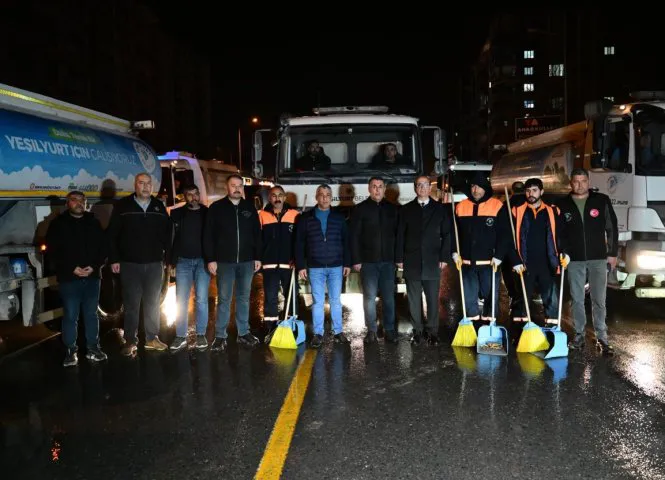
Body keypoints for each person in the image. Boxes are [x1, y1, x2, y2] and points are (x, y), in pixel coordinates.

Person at [107, 172, 172, 355]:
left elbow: (167, 235)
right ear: (135, 185)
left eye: (148, 183)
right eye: (141, 183)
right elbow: (112, 235)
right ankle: (130, 340)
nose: (145, 186)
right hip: (130, 264)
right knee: (131, 304)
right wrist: (114, 259)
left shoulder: (158, 206)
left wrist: (168, 259)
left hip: (154, 264)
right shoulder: (123, 206)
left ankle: (152, 338)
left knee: (152, 303)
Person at [556, 168, 617, 354]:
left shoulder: (601, 200)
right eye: (576, 181)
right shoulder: (563, 204)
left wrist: (612, 253)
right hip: (574, 259)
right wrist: (564, 252)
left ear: (588, 182)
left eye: (583, 181)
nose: (580, 185)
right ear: (571, 183)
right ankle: (579, 335)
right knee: (577, 299)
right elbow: (559, 233)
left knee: (599, 299)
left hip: (598, 258)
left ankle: (602, 337)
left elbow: (611, 227)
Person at [46, 191, 107, 367]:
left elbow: (103, 248)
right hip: (69, 279)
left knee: (91, 315)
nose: (79, 203)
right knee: (71, 315)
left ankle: (93, 348)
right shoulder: (58, 225)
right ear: (67, 203)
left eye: (82, 200)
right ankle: (70, 351)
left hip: (92, 278)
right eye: (75, 200)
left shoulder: (94, 223)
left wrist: (94, 267)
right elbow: (53, 252)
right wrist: (72, 268)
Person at [203, 174, 262, 351]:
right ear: (227, 187)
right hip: (224, 262)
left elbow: (257, 234)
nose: (237, 188)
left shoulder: (249, 207)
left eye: (239, 186)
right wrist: (211, 259)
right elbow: (208, 235)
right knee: (224, 299)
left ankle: (243, 333)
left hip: (246, 261)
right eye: (233, 185)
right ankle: (220, 336)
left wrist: (257, 256)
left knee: (243, 298)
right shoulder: (216, 208)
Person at [395, 175, 452, 346]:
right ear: (415, 188)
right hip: (411, 260)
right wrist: (399, 258)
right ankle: (417, 332)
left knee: (432, 298)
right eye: (419, 185)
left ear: (430, 187)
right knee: (413, 299)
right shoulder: (406, 209)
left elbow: (447, 234)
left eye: (425, 185)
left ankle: (432, 332)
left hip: (433, 260)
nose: (422, 188)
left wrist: (444, 257)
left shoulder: (440, 209)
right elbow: (400, 235)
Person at [295, 184, 351, 348]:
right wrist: (301, 265)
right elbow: (299, 243)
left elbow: (346, 242)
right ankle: (318, 334)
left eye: (328, 195)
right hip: (315, 267)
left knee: (335, 300)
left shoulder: (339, 218)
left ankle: (338, 332)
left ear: (331, 197)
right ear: (316, 197)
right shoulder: (306, 218)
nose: (325, 198)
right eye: (321, 195)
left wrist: (347, 263)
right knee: (318, 302)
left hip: (336, 266)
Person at [508, 178, 568, 330]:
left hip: (547, 263)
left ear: (542, 191)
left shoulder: (553, 211)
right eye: (528, 191)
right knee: (522, 299)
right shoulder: (516, 211)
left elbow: (562, 235)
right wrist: (515, 260)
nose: (531, 194)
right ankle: (520, 331)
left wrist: (565, 253)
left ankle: (553, 330)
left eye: (534, 190)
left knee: (551, 300)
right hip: (524, 263)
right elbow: (509, 238)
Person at [451, 171, 511, 321]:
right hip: (466, 262)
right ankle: (470, 327)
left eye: (479, 186)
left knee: (490, 297)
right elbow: (454, 233)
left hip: (489, 263)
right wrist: (454, 252)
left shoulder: (497, 206)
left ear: (485, 188)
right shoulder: (461, 206)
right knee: (468, 299)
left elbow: (505, 234)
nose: (475, 190)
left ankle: (489, 326)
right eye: (473, 186)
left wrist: (499, 256)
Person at [349, 176, 400, 344]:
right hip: (368, 262)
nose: (377, 189)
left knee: (388, 297)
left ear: (385, 189)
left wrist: (398, 258)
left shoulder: (393, 209)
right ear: (369, 189)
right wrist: (356, 259)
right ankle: (371, 330)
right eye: (374, 186)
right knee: (369, 298)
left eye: (380, 186)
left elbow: (398, 235)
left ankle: (389, 330)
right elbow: (354, 236)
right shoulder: (360, 209)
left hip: (388, 262)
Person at [169, 184, 210, 352]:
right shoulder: (177, 214)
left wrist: (213, 260)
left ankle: (201, 334)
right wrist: (171, 263)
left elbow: (214, 237)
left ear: (199, 194)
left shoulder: (208, 213)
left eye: (195, 194)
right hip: (182, 262)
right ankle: (180, 336)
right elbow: (171, 239)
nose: (193, 197)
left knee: (201, 300)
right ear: (184, 197)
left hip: (203, 262)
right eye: (189, 194)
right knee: (181, 300)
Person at [258, 185, 300, 334]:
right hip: (269, 264)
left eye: (280, 195)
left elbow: (299, 240)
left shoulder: (295, 215)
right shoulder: (262, 215)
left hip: (289, 264)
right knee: (270, 297)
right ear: (269, 198)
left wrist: (297, 259)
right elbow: (258, 240)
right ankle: (271, 328)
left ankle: (291, 326)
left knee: (292, 296)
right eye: (274, 195)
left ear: (284, 197)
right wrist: (259, 259)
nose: (277, 198)